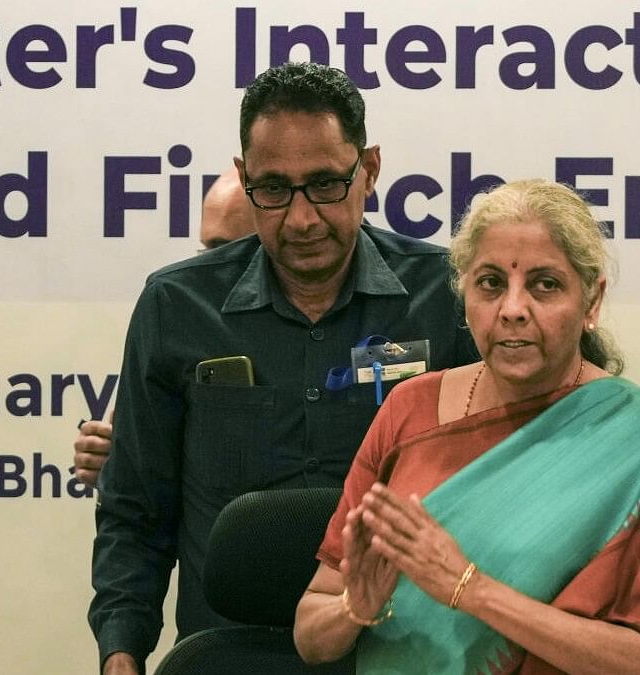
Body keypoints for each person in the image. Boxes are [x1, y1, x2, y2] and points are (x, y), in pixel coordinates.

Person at [294, 179, 640, 674]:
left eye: (544, 285)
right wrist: (355, 609)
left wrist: (471, 589)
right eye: (491, 284)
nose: (513, 309)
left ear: (592, 301)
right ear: (465, 296)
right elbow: (311, 633)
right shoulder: (408, 411)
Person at [89, 62, 480, 675]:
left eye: (325, 184)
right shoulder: (177, 306)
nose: (300, 219)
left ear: (369, 170)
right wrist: (121, 654)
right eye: (273, 189)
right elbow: (135, 510)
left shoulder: (448, 297)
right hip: (229, 653)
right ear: (245, 180)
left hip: (403, 649)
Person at [72, 165, 256, 488]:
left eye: (227, 250)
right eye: (208, 250)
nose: (211, 266)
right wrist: (119, 467)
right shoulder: (177, 321)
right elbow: (145, 491)